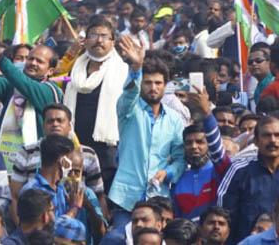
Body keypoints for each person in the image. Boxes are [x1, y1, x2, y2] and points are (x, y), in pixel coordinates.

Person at [109, 37, 185, 226]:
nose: (153, 88)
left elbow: (180, 158)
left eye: (158, 83)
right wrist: (136, 69)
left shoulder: (174, 119)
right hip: (126, 198)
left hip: (158, 198)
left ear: (165, 86)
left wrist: (167, 172)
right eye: (148, 82)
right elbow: (129, 95)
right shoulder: (128, 110)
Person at [0, 28, 62, 172]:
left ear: (50, 71)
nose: (33, 63)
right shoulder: (13, 85)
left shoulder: (50, 90)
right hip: (5, 161)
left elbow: (25, 85)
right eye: (31, 58)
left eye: (39, 61)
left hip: (37, 166)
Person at [63, 17, 131, 191]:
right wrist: (71, 52)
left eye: (104, 36)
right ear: (85, 41)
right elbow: (54, 77)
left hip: (107, 148)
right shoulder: (74, 69)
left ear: (113, 42)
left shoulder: (123, 71)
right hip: (75, 143)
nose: (99, 40)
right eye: (93, 35)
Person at [10, 104, 108, 223]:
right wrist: (23, 231)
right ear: (43, 125)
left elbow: (98, 195)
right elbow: (15, 197)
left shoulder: (87, 154)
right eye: (50, 121)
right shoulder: (26, 152)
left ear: (69, 125)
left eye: (60, 121)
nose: (55, 124)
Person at [218, 113, 279, 243]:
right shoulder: (239, 170)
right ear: (255, 141)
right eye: (266, 135)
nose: (273, 140)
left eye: (277, 135)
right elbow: (224, 215)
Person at [173, 87, 231, 220]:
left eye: (200, 142)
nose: (194, 146)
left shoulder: (221, 171)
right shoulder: (177, 179)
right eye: (189, 143)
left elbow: (217, 148)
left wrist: (206, 112)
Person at [99, 201, 164, 245]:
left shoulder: (169, 240)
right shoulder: (113, 240)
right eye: (135, 221)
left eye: (145, 220)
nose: (138, 224)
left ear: (159, 226)